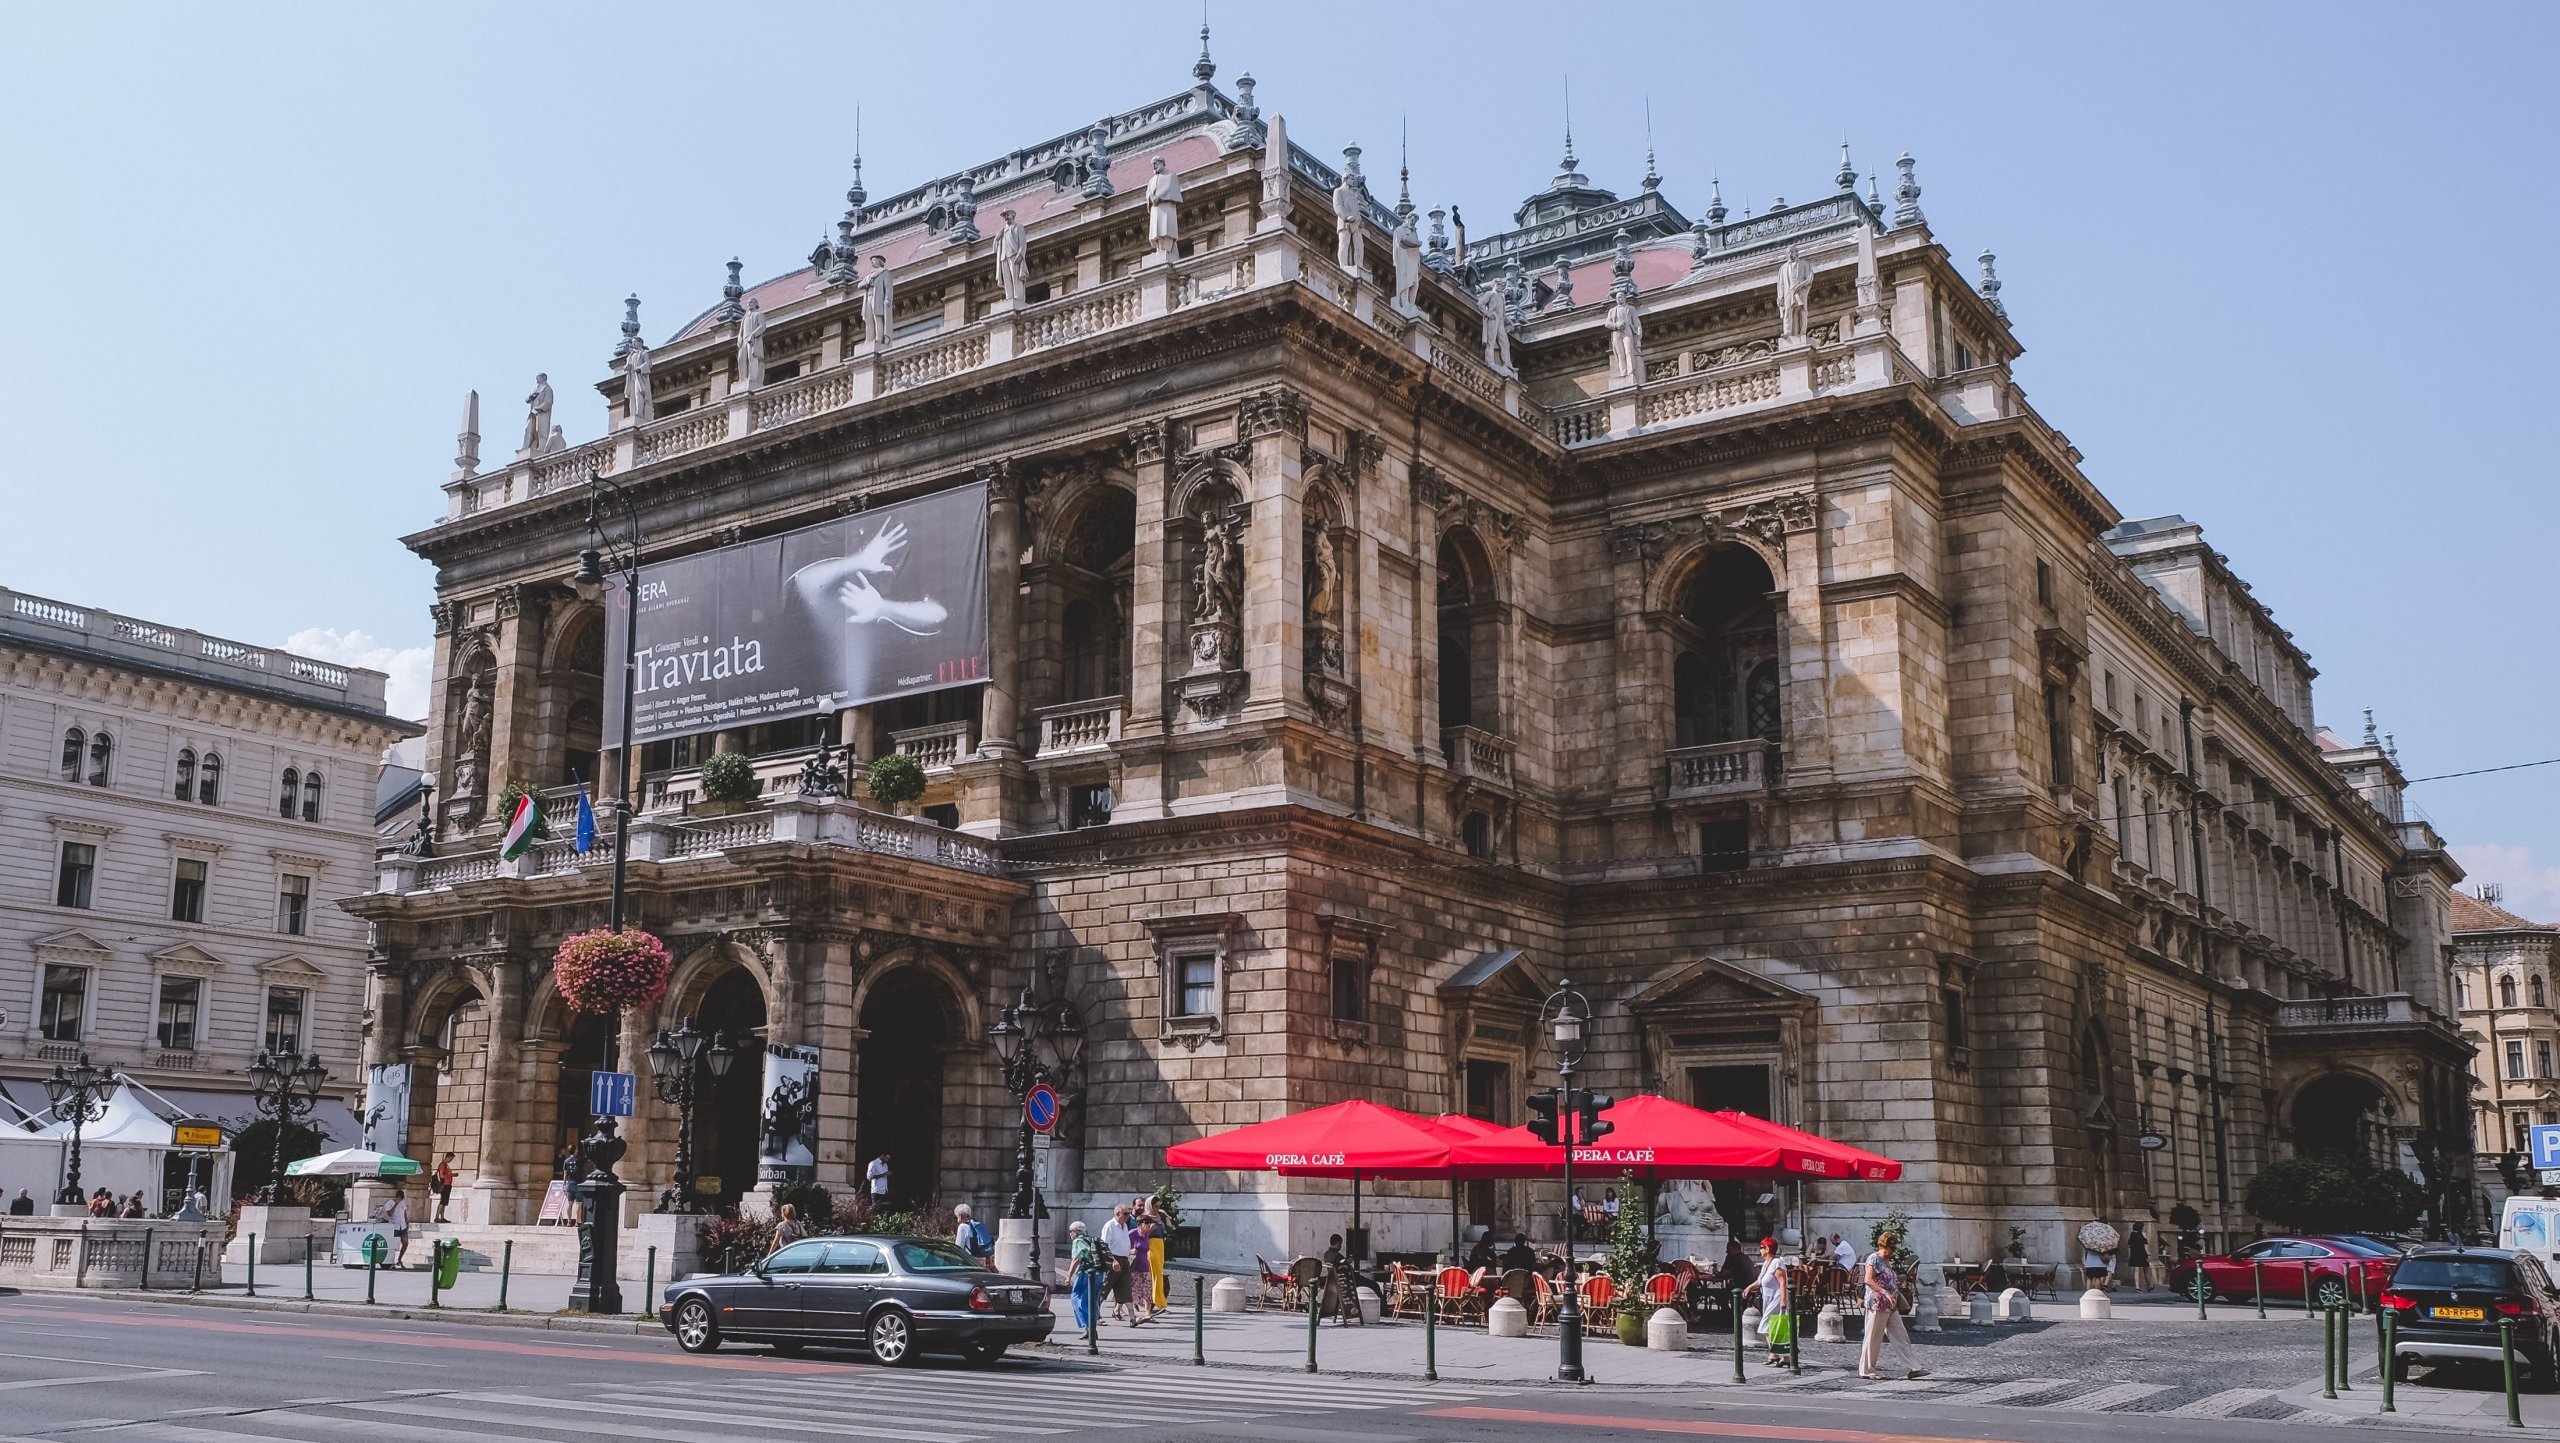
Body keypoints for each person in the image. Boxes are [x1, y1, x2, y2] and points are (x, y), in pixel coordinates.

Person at [1858, 1228, 1926, 1381]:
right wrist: (1884, 1292)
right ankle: (1867, 1370)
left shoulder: (1887, 1261)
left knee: (1901, 1335)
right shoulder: (1873, 1259)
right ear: (1883, 1246)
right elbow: (1868, 1280)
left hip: (1890, 1305)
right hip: (1877, 1303)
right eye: (1891, 1248)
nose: (1892, 1251)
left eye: (1894, 1248)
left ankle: (1914, 1367)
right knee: (1873, 1337)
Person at [1743, 1237, 1792, 1367]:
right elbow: (1760, 1281)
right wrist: (1749, 1288)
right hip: (1768, 1299)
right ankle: (1780, 1356)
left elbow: (1783, 1282)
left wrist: (1783, 1299)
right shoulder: (1766, 1264)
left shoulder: (1777, 1263)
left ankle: (1776, 1353)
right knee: (1774, 1327)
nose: (1760, 1250)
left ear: (1768, 1249)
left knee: (1765, 1326)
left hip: (1776, 1298)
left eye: (1762, 1247)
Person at [1102, 1202, 1135, 1323]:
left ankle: (1132, 1317)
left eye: (1129, 1214)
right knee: (1104, 1288)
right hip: (1113, 1260)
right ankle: (1096, 1315)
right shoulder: (1110, 1225)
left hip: (1124, 1260)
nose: (1128, 1216)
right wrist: (1113, 1260)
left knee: (1126, 1288)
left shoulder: (1124, 1226)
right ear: (1117, 1213)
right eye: (1125, 1214)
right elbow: (1104, 1246)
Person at [1126, 1202, 1157, 1325]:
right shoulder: (1132, 1234)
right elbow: (1123, 1247)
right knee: (1134, 1290)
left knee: (1148, 1290)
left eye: (1150, 1223)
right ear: (1140, 1224)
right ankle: (1120, 1309)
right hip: (1134, 1266)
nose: (1149, 1226)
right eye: (1147, 1223)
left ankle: (1148, 1313)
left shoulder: (1146, 1234)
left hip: (1145, 1266)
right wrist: (1131, 1250)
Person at [1068, 1220, 1100, 1329]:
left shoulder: (1078, 1241)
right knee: (1092, 1301)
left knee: (1077, 1298)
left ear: (1076, 1232)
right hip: (1099, 1273)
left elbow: (1076, 1259)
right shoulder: (1091, 1239)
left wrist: (1069, 1276)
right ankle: (1092, 1327)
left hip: (1086, 1273)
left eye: (1071, 1231)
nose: (1070, 1234)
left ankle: (1088, 1327)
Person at [954, 1203, 993, 1269]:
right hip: (981, 1261)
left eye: (956, 1217)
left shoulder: (962, 1227)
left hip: (969, 1262)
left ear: (960, 1216)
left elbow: (958, 1248)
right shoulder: (977, 1225)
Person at [386, 1187, 411, 1267]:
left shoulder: (403, 1203)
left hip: (402, 1225)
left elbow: (404, 1212)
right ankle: (391, 1261)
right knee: (393, 1244)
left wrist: (407, 1222)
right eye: (398, 1198)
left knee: (405, 1242)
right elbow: (389, 1214)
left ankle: (399, 1259)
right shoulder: (390, 1203)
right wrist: (395, 1204)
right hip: (394, 1225)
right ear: (396, 1197)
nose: (400, 1200)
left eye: (401, 1199)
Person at [2125, 1223, 2153, 1292]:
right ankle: (2149, 1285)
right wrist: (2148, 1254)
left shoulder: (2132, 1235)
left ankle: (2137, 1287)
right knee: (2146, 1268)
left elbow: (2129, 1245)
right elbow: (2145, 1245)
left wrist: (2130, 1255)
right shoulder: (2143, 1234)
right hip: (2142, 1253)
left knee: (2136, 1270)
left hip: (2134, 1254)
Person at [433, 1152, 457, 1223]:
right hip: (444, 1185)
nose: (451, 1160)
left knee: (444, 1202)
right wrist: (452, 1175)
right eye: (451, 1159)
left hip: (448, 1185)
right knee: (443, 1201)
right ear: (448, 1157)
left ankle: (442, 1217)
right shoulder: (442, 1165)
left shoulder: (446, 1165)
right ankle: (437, 1217)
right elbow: (442, 1175)